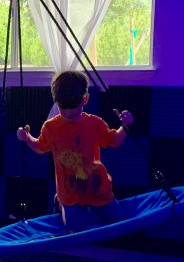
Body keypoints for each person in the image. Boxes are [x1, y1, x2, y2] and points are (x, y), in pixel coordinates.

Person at [16, 70, 134, 232]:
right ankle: (61, 202)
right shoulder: (51, 127)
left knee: (118, 219)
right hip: (69, 193)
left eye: (74, 106)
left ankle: (86, 209)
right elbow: (40, 147)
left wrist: (125, 126)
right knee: (75, 229)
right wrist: (27, 137)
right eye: (63, 107)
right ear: (56, 102)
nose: (69, 112)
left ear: (85, 99)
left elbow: (114, 141)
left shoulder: (94, 123)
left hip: (97, 188)